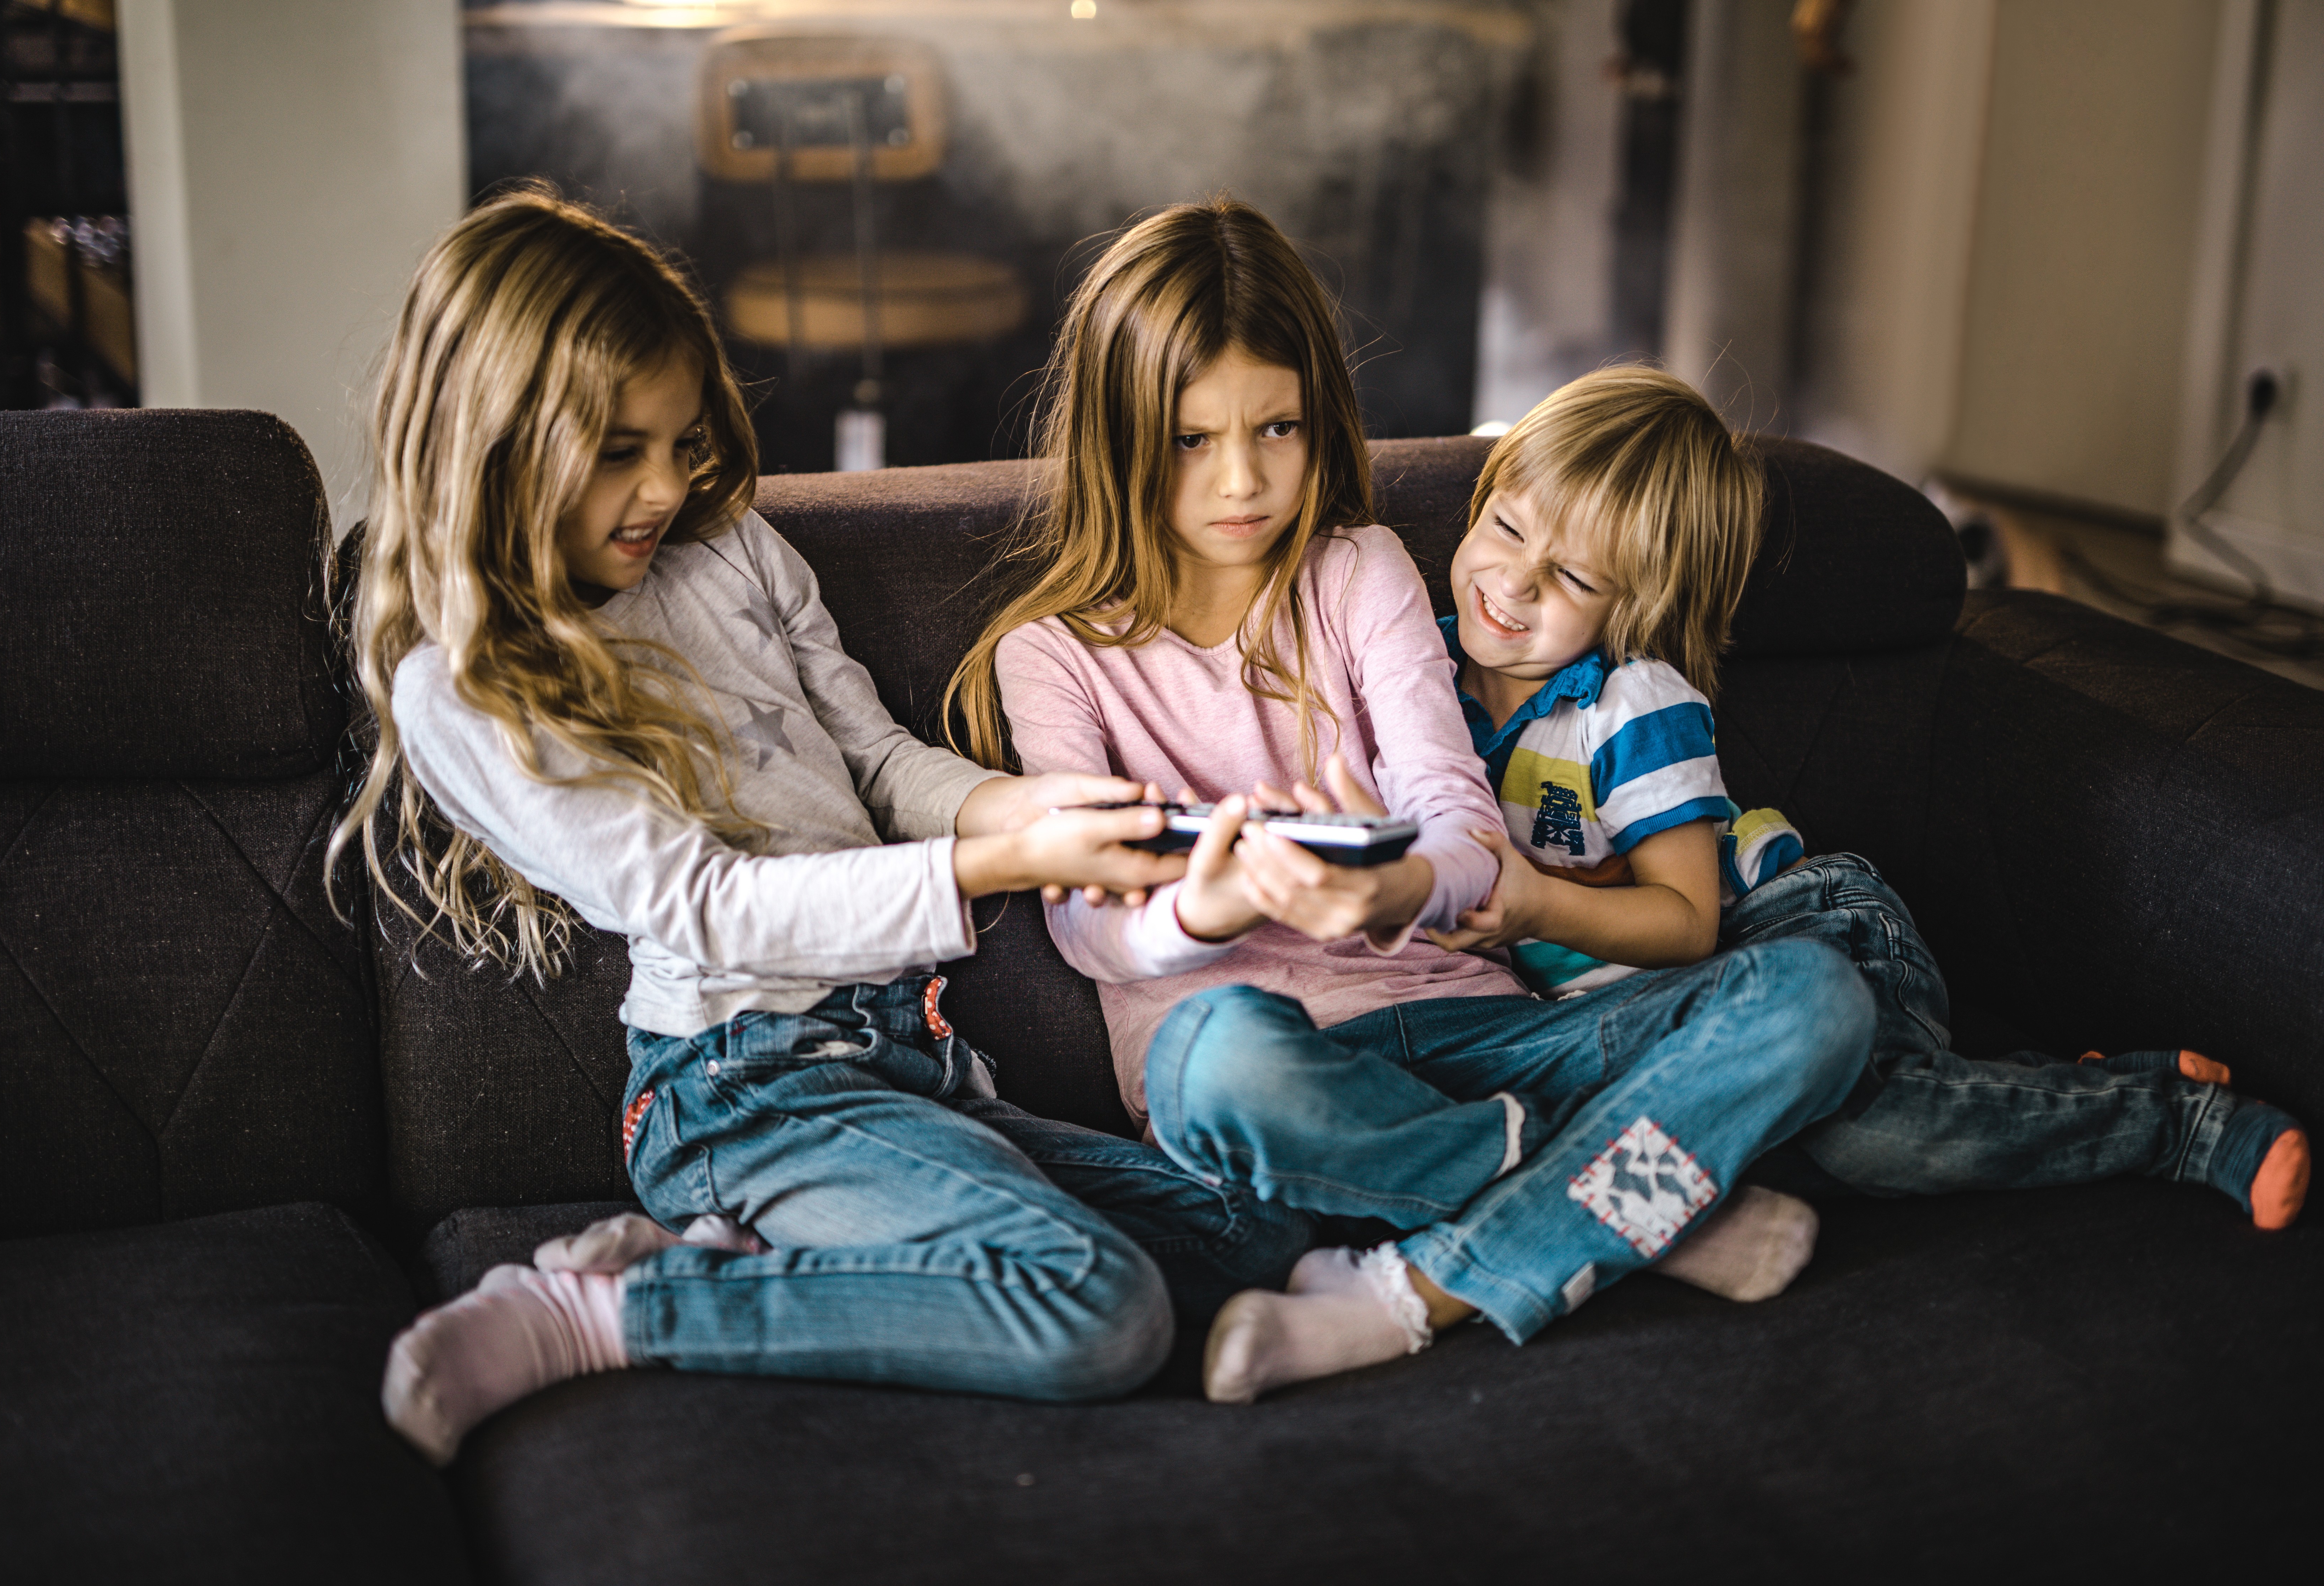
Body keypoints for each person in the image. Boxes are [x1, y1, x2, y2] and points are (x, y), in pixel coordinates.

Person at [342, 189, 1317, 1465]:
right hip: (742, 1088)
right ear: (495, 445)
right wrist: (996, 864)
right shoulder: (465, 686)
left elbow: (875, 759)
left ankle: (763, 1257)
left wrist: (1028, 805)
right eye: (618, 451)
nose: (663, 488)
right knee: (1096, 1308)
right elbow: (709, 908)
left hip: (912, 1064)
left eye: (683, 442)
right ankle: (606, 1311)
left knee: (1268, 1235)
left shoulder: (732, 551)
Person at [948, 196, 1874, 1405]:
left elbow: (1456, 808)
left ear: (1319, 415)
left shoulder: (1359, 569)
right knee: (1211, 1065)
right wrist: (1207, 913)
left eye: (1276, 427)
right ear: (1121, 438)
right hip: (1281, 1072)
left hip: (1481, 1033)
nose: (1242, 480)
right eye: (1191, 440)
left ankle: (1423, 1282)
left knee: (1815, 996)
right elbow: (1087, 926)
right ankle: (1642, 1213)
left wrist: (1402, 885)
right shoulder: (1052, 657)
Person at [1423, 364, 2310, 1230]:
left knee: (1852, 1133)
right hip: (1669, 1016)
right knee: (1722, 1140)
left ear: (1641, 609)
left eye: (1577, 577)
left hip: (1805, 935)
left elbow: (1688, 923)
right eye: (1506, 525)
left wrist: (1537, 904)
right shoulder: (1418, 663)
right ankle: (2032, 1091)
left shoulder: (1630, 706)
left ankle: (2176, 1122)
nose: (1517, 580)